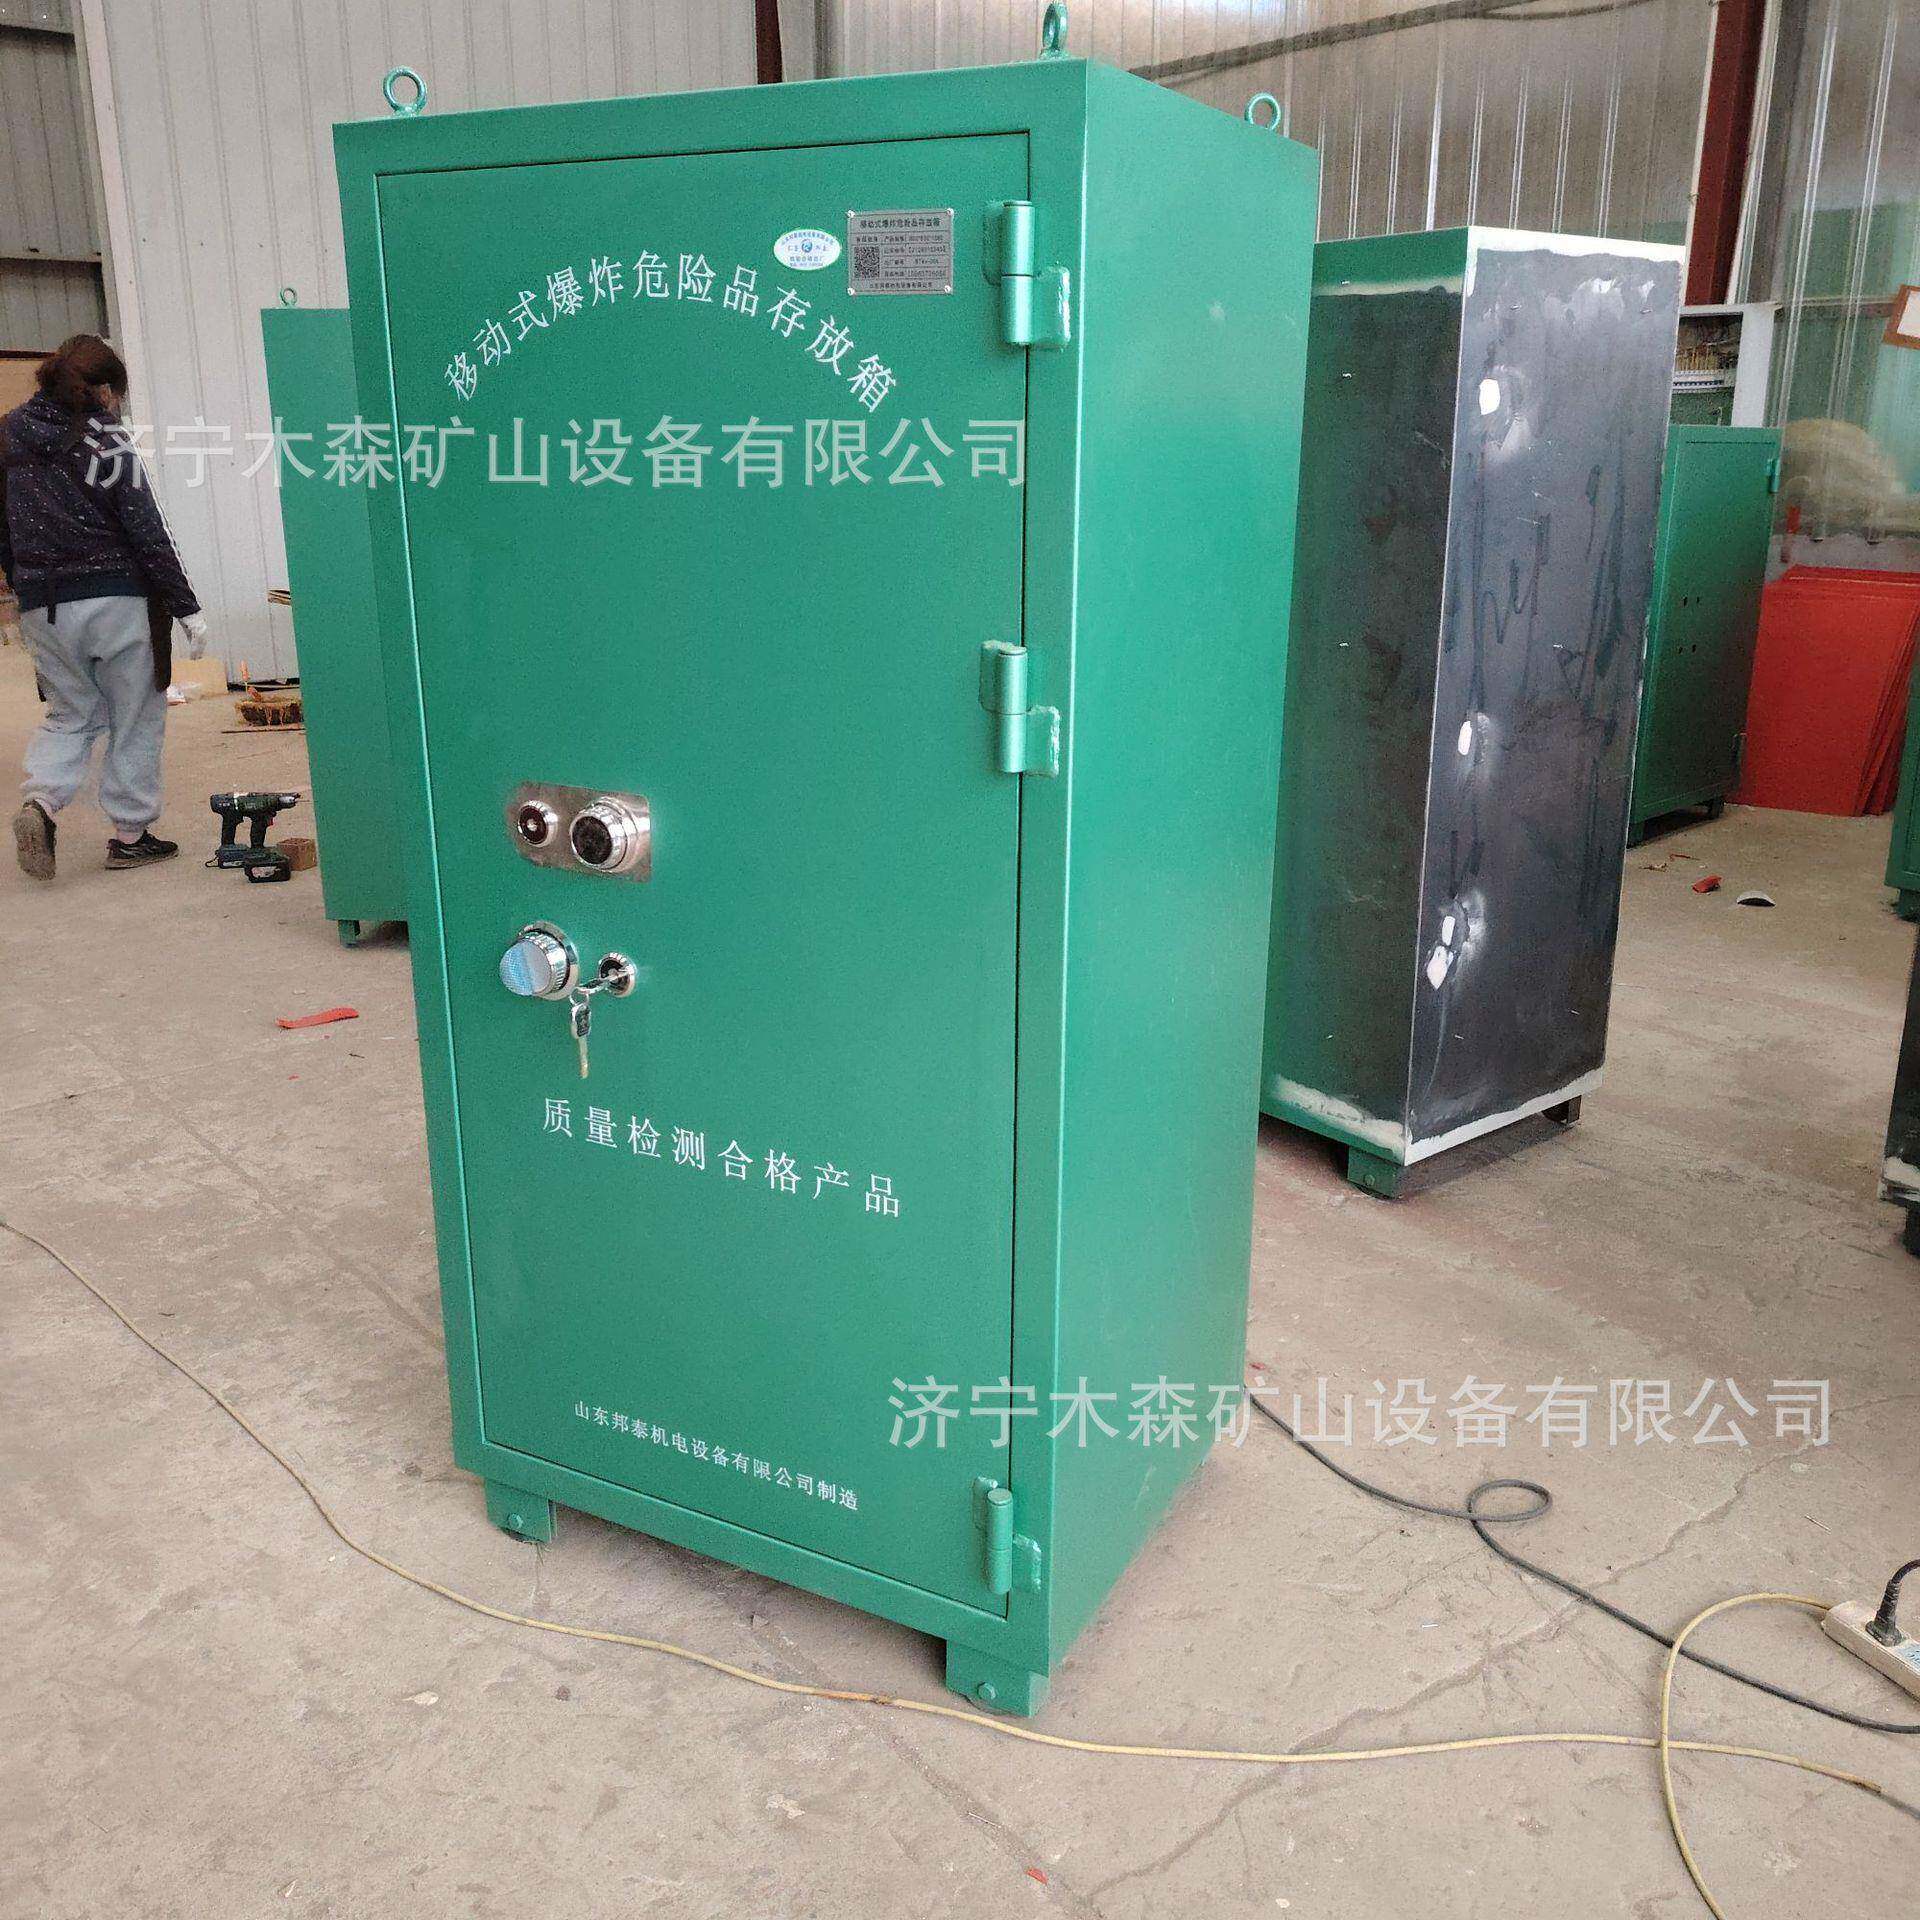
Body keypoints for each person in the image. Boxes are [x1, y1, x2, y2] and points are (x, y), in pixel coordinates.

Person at [0, 333, 209, 878]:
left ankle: (41, 802)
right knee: (135, 713)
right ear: (103, 390)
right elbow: (145, 527)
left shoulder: (7, 434)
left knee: (70, 714)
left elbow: (4, 531)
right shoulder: (106, 437)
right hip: (117, 599)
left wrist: (24, 588)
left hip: (43, 605)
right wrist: (185, 605)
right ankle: (131, 834)